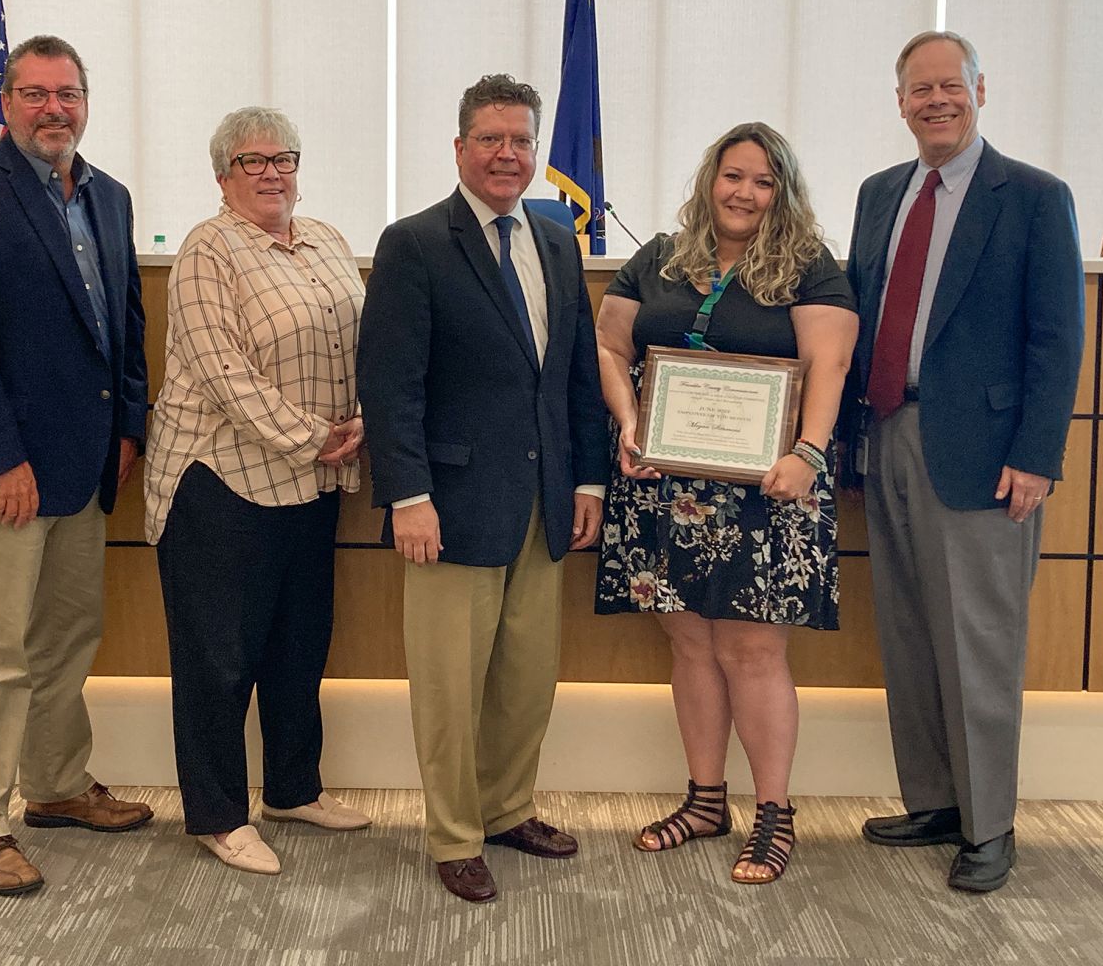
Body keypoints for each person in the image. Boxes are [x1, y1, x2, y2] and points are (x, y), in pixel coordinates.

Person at [357, 74, 608, 903]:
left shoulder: (555, 239)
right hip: (450, 507)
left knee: (526, 680)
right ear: (459, 147)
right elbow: (391, 384)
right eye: (491, 139)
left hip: (543, 504)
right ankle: (455, 834)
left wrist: (590, 481)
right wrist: (407, 496)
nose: (508, 154)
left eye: (521, 141)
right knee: (450, 688)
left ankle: (507, 809)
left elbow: (573, 375)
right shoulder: (415, 243)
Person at [845, 31, 1083, 893]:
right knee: (909, 633)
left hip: (986, 459)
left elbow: (1057, 342)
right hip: (887, 437)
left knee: (979, 641)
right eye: (919, 89)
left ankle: (990, 826)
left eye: (951, 85)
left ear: (983, 89)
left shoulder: (1033, 196)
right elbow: (860, 319)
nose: (936, 100)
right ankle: (937, 801)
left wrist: (1036, 456)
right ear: (899, 102)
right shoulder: (879, 196)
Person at [0, 34, 151, 897]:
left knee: (66, 640)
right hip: (6, 469)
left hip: (88, 466)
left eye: (69, 94)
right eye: (35, 93)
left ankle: (54, 787)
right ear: (5, 102)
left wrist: (129, 429)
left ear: (87, 102)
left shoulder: (111, 197)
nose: (55, 109)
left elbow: (125, 326)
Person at [595, 122, 857, 884]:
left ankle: (774, 815)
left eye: (764, 182)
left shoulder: (810, 267)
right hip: (664, 483)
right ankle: (705, 800)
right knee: (691, 646)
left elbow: (829, 363)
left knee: (752, 650)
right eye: (733, 176)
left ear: (785, 193)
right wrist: (630, 424)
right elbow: (613, 346)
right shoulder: (662, 257)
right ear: (711, 179)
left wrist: (807, 453)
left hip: (771, 489)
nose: (745, 193)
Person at [144, 107, 370, 876]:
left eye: (284, 158)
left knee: (299, 646)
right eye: (252, 162)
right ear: (222, 176)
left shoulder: (329, 241)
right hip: (220, 481)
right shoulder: (209, 249)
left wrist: (359, 420)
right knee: (218, 656)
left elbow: (365, 342)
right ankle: (215, 813)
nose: (272, 172)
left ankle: (293, 788)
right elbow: (222, 372)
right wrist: (316, 435)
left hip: (312, 483)